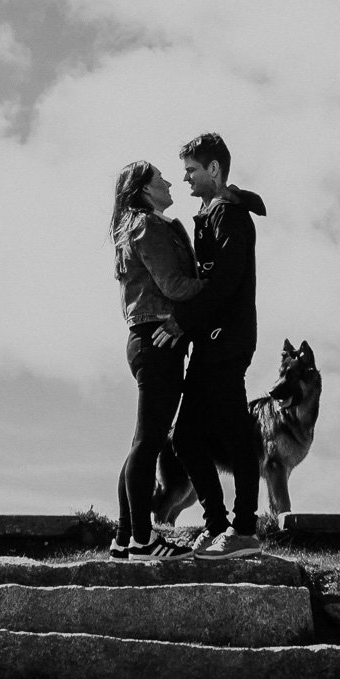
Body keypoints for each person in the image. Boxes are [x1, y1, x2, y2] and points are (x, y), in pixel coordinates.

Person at [154, 132, 267, 560]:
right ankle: (217, 524)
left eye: (191, 171)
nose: (185, 179)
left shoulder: (232, 218)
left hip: (228, 341)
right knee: (184, 438)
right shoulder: (210, 213)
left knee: (236, 433)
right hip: (209, 340)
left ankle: (243, 531)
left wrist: (183, 322)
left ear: (214, 170)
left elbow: (225, 283)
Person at [109, 160, 202, 561]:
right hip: (158, 339)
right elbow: (174, 285)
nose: (169, 181)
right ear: (146, 189)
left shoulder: (137, 226)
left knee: (141, 443)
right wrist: (218, 287)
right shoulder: (148, 225)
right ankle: (144, 540)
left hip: (146, 339)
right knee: (148, 443)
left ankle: (124, 538)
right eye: (160, 178)